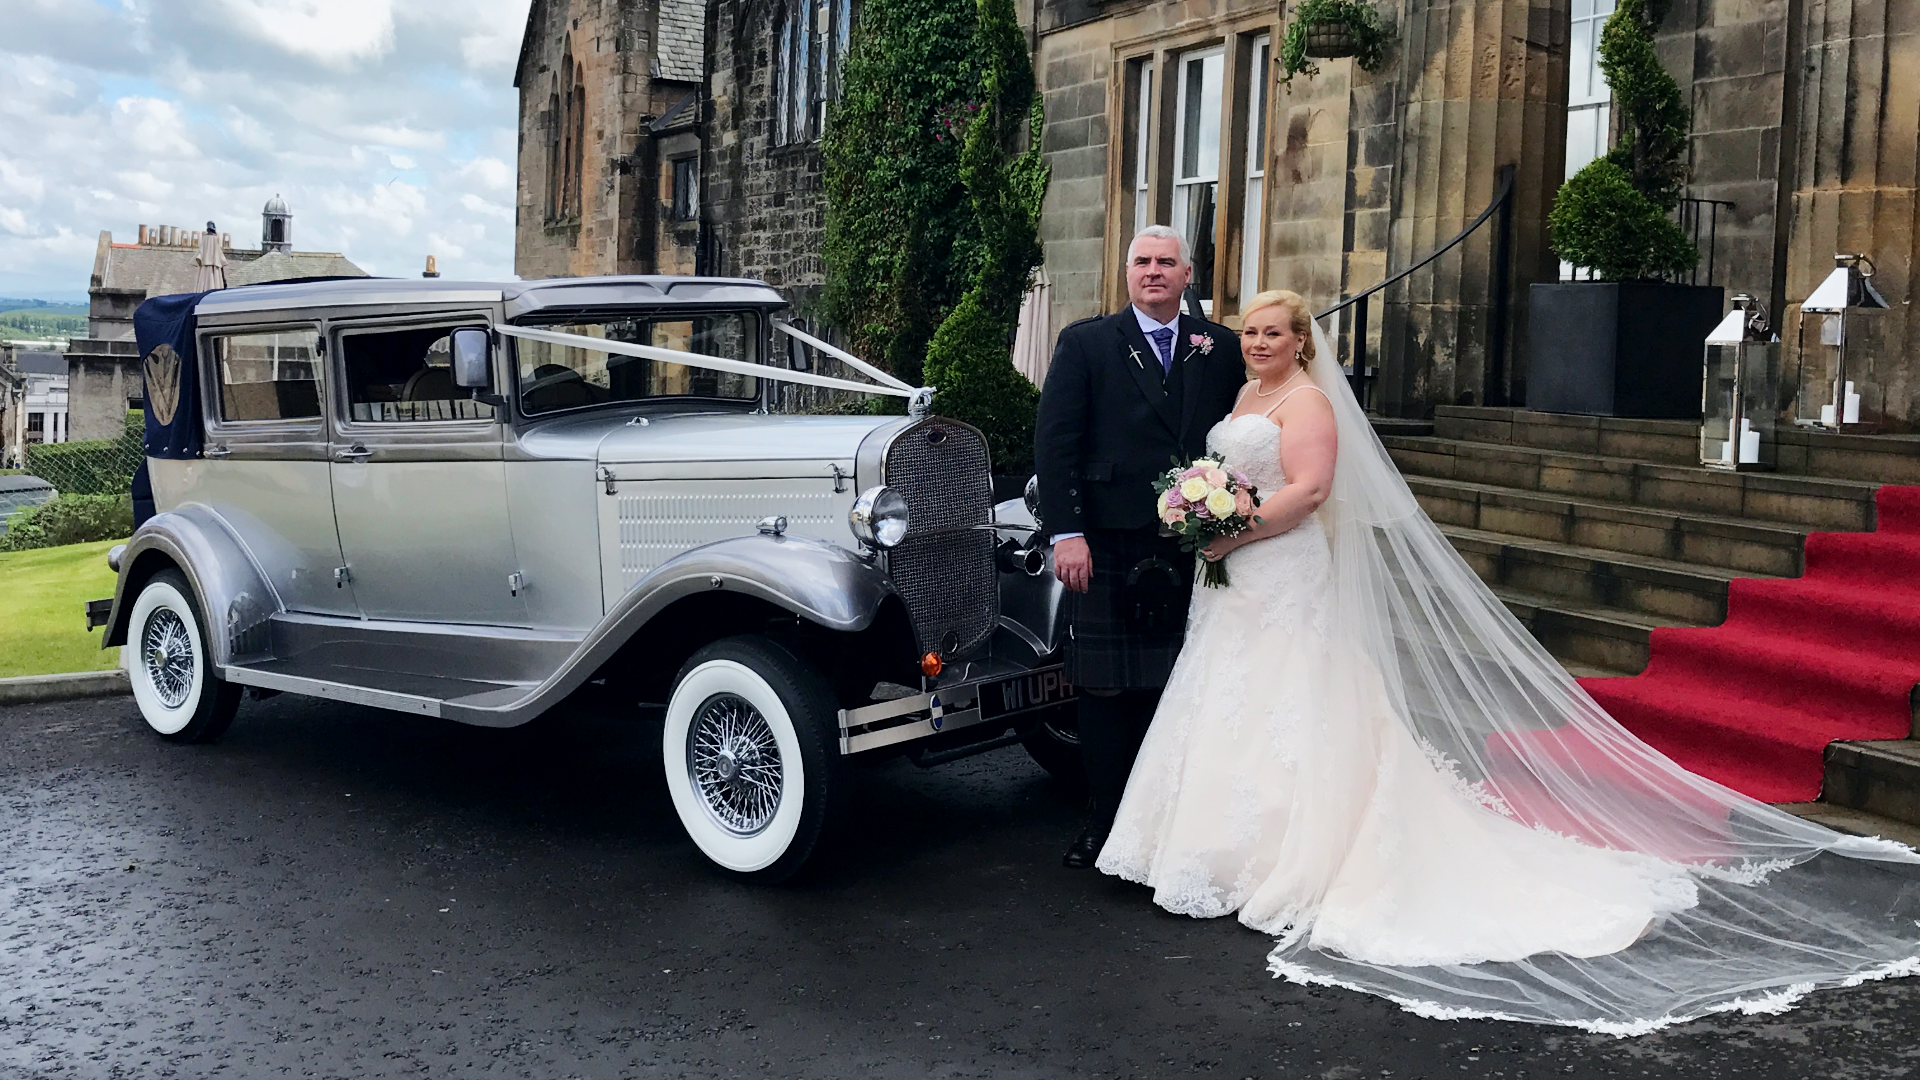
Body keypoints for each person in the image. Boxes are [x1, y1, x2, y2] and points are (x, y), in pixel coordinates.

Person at [1094, 289, 1920, 1034]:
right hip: (1235, 577)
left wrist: (1232, 528)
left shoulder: (1308, 402)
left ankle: (1293, 853)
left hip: (1280, 564)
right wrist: (1206, 514)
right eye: (1251, 332)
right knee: (1228, 697)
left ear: (1303, 343)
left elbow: (1309, 491)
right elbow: (1227, 473)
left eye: (1274, 333)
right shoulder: (1243, 394)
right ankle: (1211, 852)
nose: (1258, 343)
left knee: (1293, 699)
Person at [1033, 225, 1246, 869]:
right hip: (1105, 544)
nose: (1154, 271)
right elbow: (1056, 442)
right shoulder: (1087, 343)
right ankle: (1105, 823)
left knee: (1178, 684)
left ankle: (1167, 824)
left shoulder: (1223, 348)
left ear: (1187, 276)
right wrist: (1066, 533)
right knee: (1104, 690)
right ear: (1127, 274)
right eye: (1142, 262)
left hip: (1195, 546)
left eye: (1167, 262)